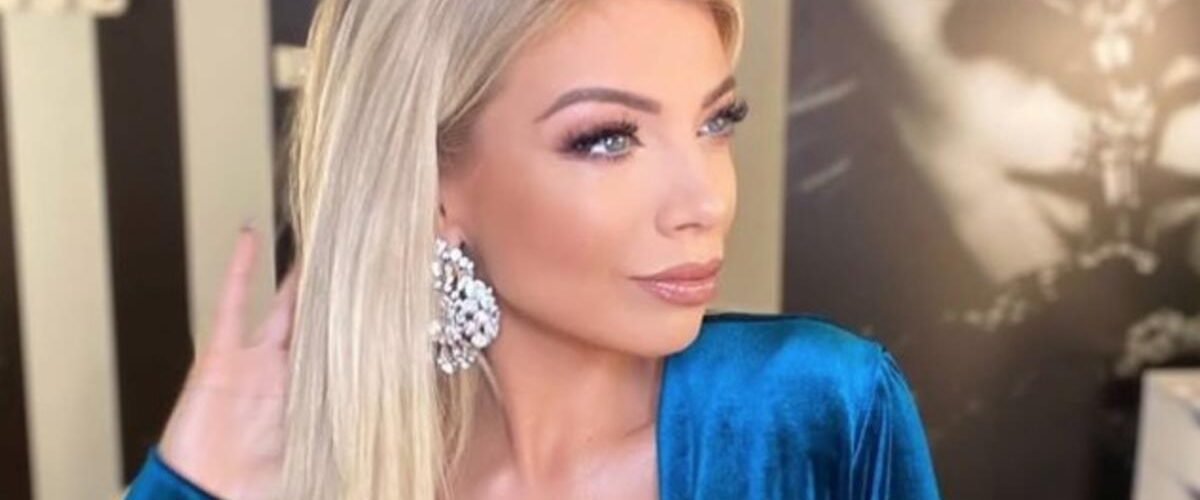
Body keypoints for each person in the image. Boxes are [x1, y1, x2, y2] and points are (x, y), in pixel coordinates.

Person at [124, 0, 940, 498]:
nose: (705, 202)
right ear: (435, 188)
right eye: (608, 138)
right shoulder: (345, 477)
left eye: (714, 122)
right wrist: (190, 488)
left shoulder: (813, 411)